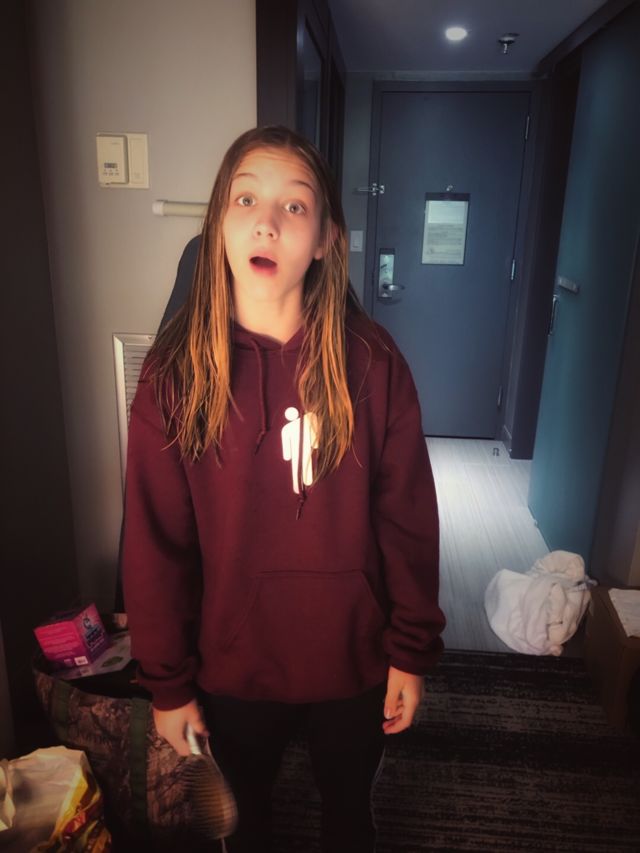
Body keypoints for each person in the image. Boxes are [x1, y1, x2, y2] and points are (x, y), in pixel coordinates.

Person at [122, 125, 445, 853]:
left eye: (294, 206)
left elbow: (408, 519)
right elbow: (156, 544)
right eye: (246, 200)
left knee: (347, 818)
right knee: (245, 825)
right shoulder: (174, 376)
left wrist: (410, 649)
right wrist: (168, 683)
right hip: (234, 663)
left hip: (356, 658)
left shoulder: (374, 363)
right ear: (218, 223)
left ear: (327, 239)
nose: (267, 222)